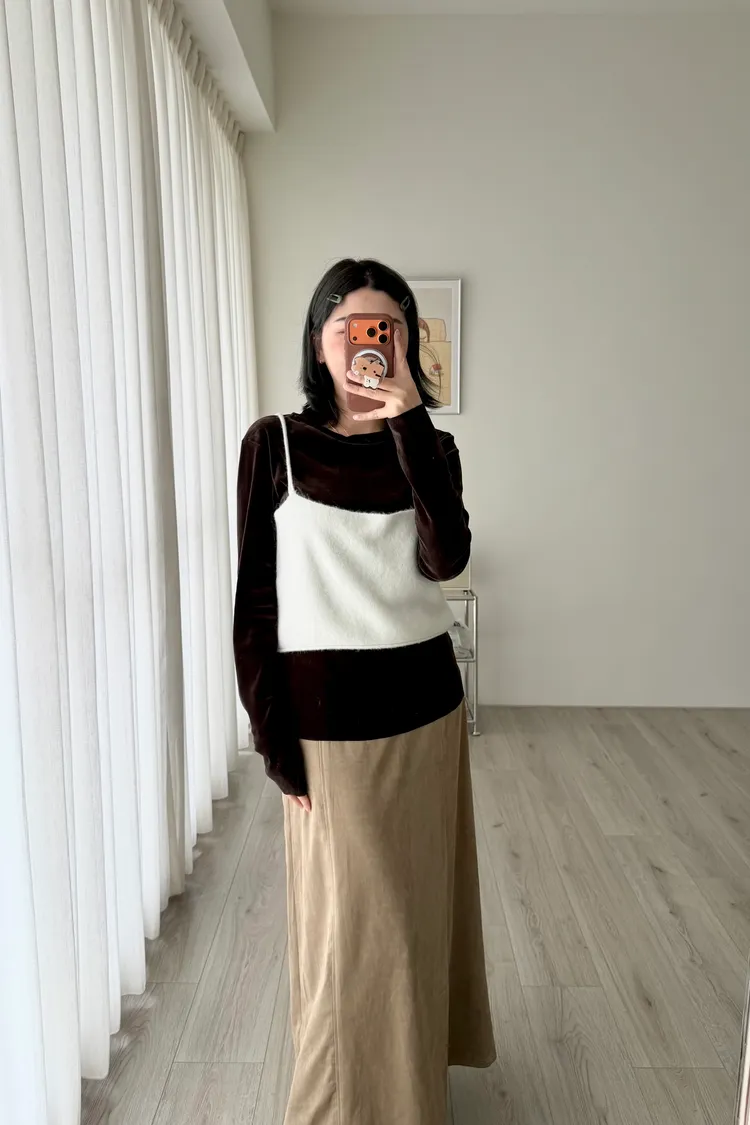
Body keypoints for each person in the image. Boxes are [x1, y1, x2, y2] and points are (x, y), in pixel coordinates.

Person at [232, 258, 496, 1125]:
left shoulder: (432, 448)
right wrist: (273, 741)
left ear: (409, 344)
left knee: (414, 917)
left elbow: (445, 559)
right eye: (349, 328)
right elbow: (255, 603)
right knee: (348, 935)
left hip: (425, 716)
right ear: (319, 342)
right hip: (325, 731)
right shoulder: (273, 443)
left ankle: (413, 1093)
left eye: (388, 329)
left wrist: (411, 421)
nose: (367, 345)